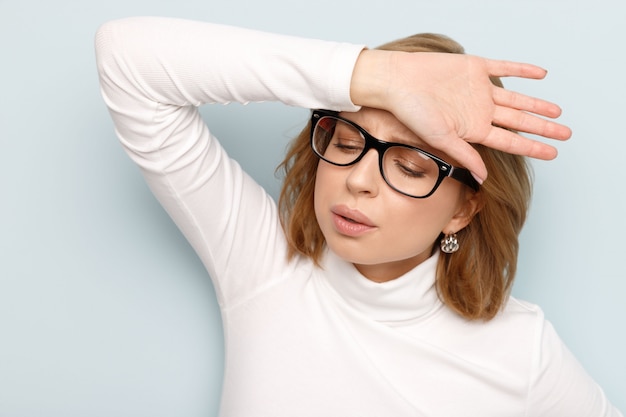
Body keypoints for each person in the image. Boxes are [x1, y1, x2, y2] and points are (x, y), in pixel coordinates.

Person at [95, 16, 621, 416]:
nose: (358, 179)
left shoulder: (523, 350)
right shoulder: (261, 264)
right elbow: (127, 62)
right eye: (347, 142)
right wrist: (376, 75)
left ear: (463, 209)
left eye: (410, 167)